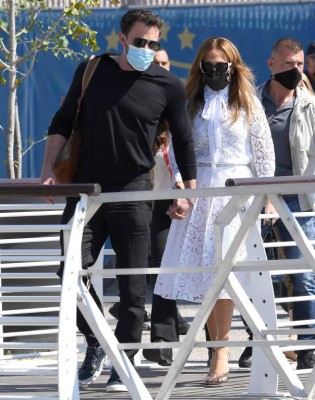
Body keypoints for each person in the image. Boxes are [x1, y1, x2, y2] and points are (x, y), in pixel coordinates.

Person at [40, 8, 196, 393]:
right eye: (140, 41)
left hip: (134, 190)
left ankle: (123, 359)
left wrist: (188, 192)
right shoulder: (92, 69)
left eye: (153, 43)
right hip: (85, 191)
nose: (146, 48)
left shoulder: (168, 85)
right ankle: (97, 340)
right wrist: (48, 170)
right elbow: (62, 121)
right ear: (122, 39)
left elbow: (184, 139)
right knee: (68, 273)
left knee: (132, 286)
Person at [154, 37, 275, 385]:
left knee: (231, 276)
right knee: (209, 276)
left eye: (220, 66)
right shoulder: (191, 103)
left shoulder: (249, 103)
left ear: (233, 66)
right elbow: (177, 151)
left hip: (238, 190)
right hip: (200, 191)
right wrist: (182, 186)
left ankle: (222, 350)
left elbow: (264, 153)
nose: (213, 71)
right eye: (207, 65)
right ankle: (217, 350)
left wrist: (267, 198)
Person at [240, 38, 315, 371]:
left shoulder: (310, 105)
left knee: (303, 275)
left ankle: (307, 342)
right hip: (257, 200)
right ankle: (257, 342)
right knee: (253, 275)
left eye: (299, 64)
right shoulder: (249, 103)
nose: (295, 70)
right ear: (271, 65)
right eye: (288, 64)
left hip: (300, 201)